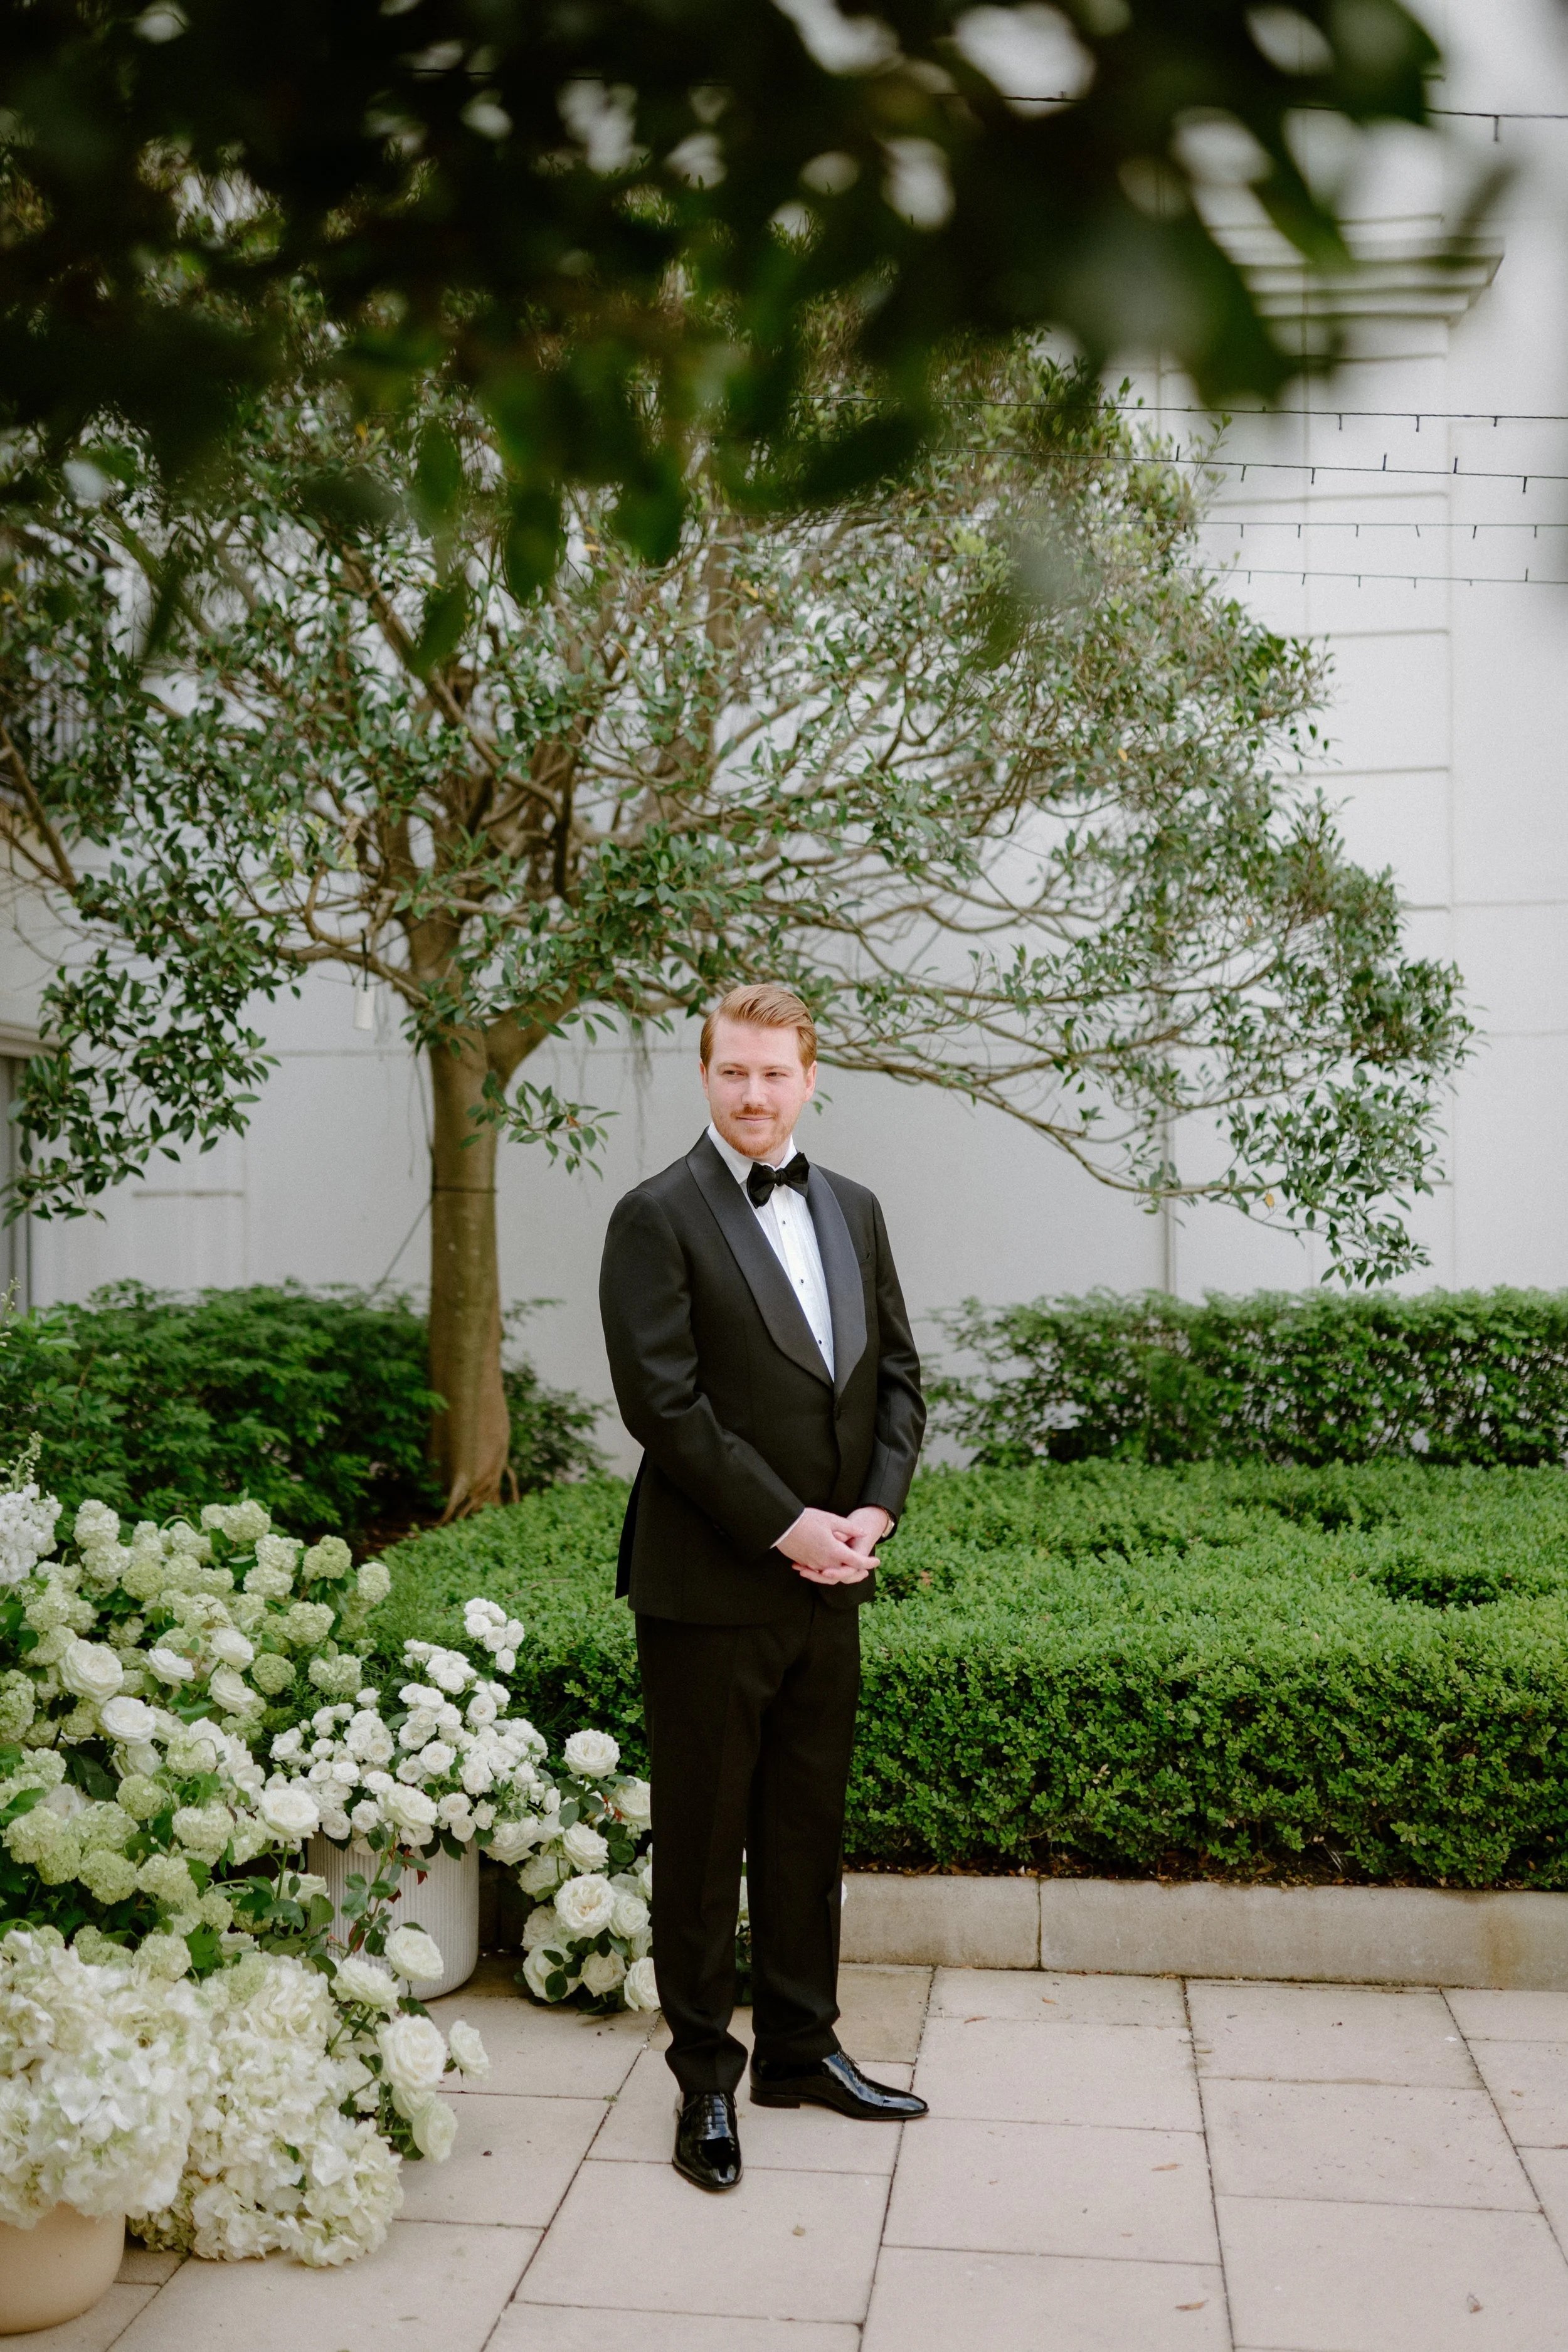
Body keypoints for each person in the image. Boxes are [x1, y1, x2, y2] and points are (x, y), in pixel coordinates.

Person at [598, 982, 929, 2192]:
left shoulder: (855, 1207)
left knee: (804, 1824)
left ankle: (800, 2048)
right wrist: (790, 1525)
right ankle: (703, 2079)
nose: (753, 1093)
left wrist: (873, 1512)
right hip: (709, 1585)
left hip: (836, 1577)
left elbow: (897, 1376)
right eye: (733, 1072)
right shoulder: (655, 1215)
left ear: (809, 1074)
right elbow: (665, 1406)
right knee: (699, 1843)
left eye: (774, 1073)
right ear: (706, 1075)